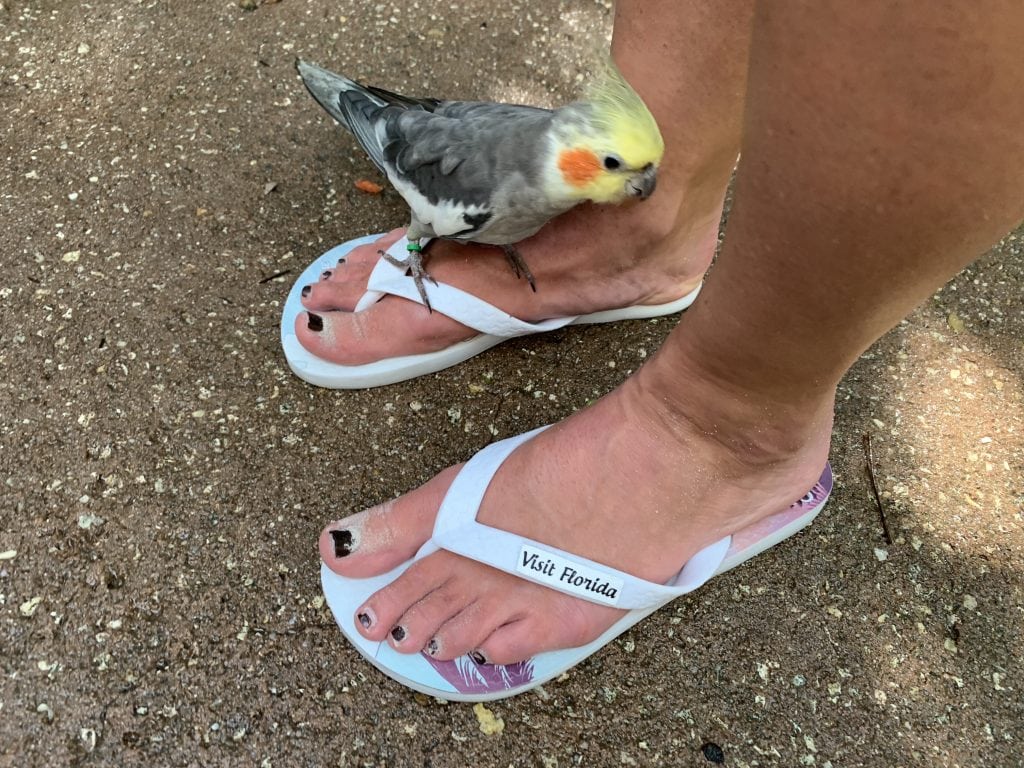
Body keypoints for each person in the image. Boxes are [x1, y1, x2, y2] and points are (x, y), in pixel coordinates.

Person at [294, 0, 1024, 691]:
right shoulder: (498, 176)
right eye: (623, 171)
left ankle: (734, 424)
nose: (639, 177)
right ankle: (645, 243)